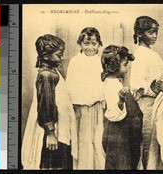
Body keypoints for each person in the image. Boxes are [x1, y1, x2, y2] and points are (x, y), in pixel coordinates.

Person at [22, 34, 77, 169]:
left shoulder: (53, 71)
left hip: (60, 129)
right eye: (59, 55)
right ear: (46, 56)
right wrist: (50, 133)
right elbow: (45, 105)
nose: (62, 58)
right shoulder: (46, 75)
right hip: (53, 133)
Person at [130, 16, 163, 169]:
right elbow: (136, 84)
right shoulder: (139, 55)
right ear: (140, 34)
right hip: (145, 106)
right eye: (151, 32)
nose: (154, 36)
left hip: (156, 104)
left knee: (154, 144)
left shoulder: (152, 54)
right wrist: (153, 89)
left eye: (156, 32)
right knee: (146, 144)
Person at [66, 27, 105, 169]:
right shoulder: (75, 61)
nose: (90, 48)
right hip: (80, 107)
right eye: (86, 43)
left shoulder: (100, 61)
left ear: (99, 44)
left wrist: (100, 98)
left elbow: (103, 82)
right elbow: (70, 85)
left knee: (97, 139)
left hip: (97, 107)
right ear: (80, 44)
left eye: (94, 44)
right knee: (83, 140)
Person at [101, 45, 143, 170]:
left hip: (123, 132)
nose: (126, 69)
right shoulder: (111, 86)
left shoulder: (115, 82)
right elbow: (113, 114)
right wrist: (121, 101)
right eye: (125, 65)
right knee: (120, 162)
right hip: (117, 133)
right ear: (114, 66)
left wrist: (133, 98)